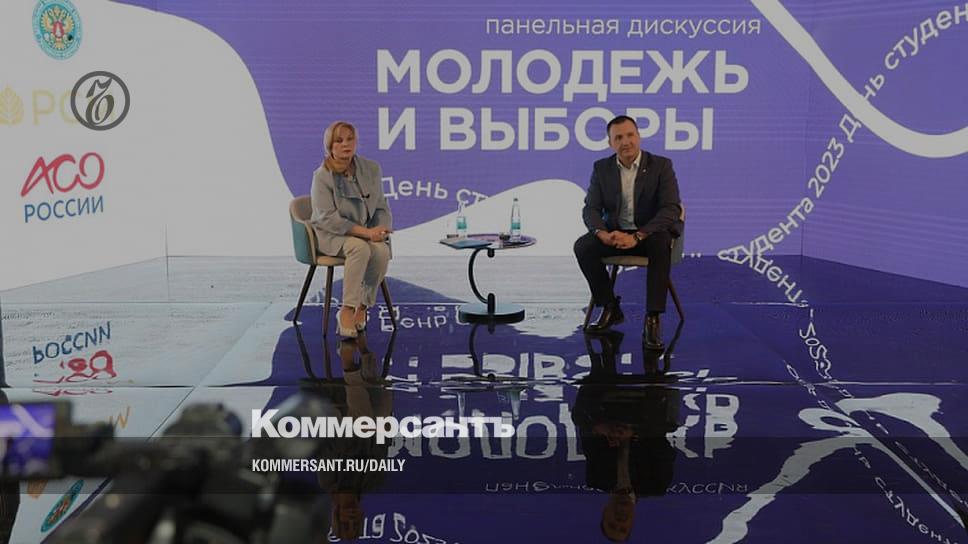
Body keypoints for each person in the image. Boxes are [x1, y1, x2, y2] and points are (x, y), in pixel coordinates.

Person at [574, 115, 683, 350]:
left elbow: (671, 208)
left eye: (630, 135)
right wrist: (602, 233)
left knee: (661, 243)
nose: (626, 142)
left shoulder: (661, 165)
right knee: (583, 246)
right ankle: (610, 307)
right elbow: (591, 208)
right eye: (618, 138)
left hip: (649, 233)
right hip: (616, 234)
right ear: (610, 143)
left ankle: (652, 318)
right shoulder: (601, 168)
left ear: (639, 137)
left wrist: (638, 236)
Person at [311, 121, 393, 338]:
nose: (345, 144)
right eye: (339, 140)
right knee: (359, 248)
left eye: (350, 139)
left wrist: (381, 230)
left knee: (381, 250)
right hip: (332, 235)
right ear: (329, 146)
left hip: (365, 233)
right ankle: (347, 310)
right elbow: (327, 218)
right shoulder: (322, 176)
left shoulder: (371, 169)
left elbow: (381, 206)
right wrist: (366, 234)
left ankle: (363, 306)